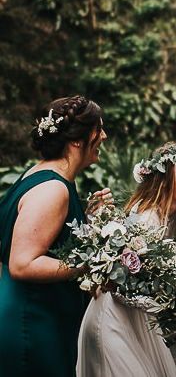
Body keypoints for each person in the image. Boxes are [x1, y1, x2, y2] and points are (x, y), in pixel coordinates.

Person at [0, 95, 108, 377]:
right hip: (33, 323)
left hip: (42, 316)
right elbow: (23, 263)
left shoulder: (40, 175)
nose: (104, 136)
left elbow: (50, 238)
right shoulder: (53, 190)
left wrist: (87, 218)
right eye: (99, 130)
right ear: (76, 141)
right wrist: (90, 263)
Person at [77, 141, 176, 377]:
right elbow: (119, 286)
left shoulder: (169, 215)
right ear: (165, 180)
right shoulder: (148, 220)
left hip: (137, 321)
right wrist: (171, 296)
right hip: (113, 319)